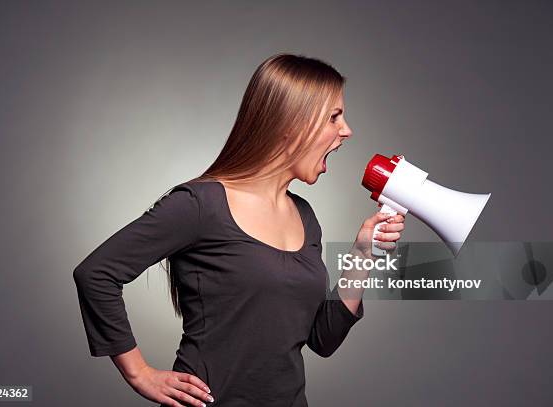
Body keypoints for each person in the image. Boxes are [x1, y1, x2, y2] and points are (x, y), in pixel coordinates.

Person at [73, 53, 405, 407]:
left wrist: (362, 254)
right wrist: (139, 374)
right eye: (334, 117)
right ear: (291, 123)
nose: (347, 130)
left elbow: (323, 339)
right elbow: (96, 274)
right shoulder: (201, 204)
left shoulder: (304, 217)